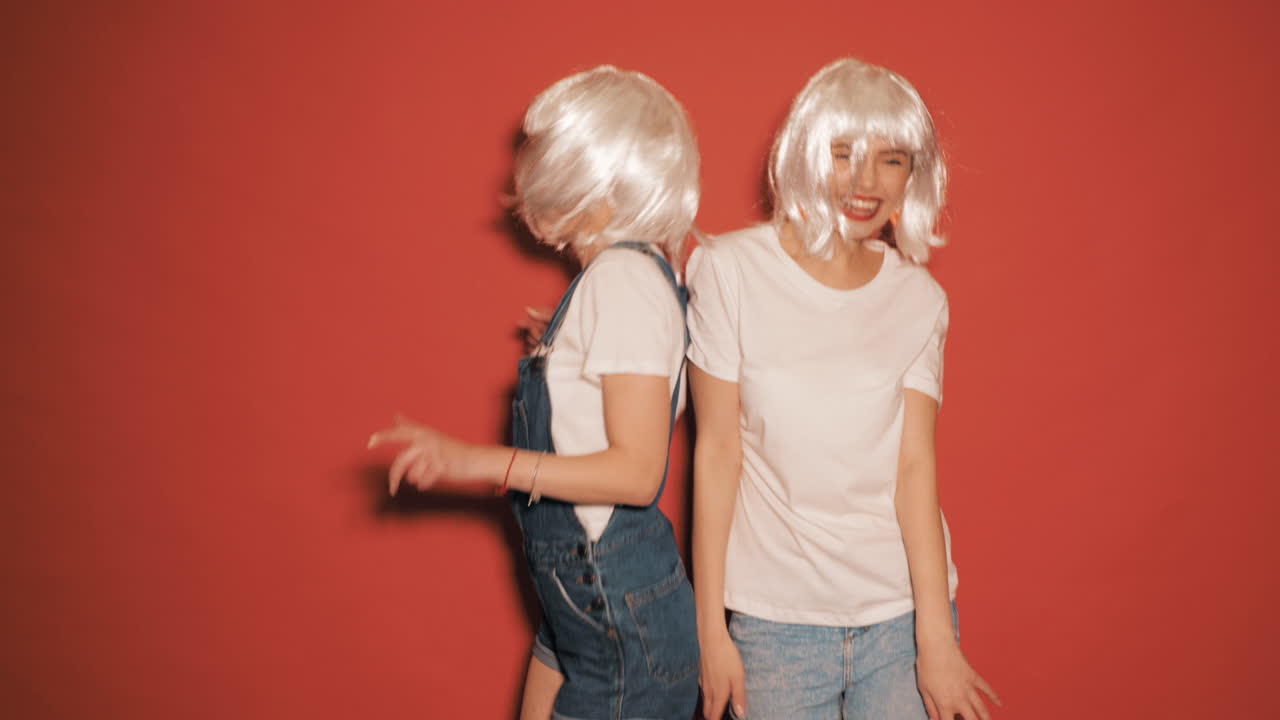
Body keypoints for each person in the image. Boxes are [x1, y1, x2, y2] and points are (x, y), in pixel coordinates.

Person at [368, 66, 701, 720]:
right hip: (584, 602)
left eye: (551, 166)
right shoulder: (619, 280)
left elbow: (637, 475)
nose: (524, 186)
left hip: (614, 602)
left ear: (606, 185)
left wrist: (474, 461)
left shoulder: (621, 282)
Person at [687, 58, 1001, 720]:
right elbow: (716, 451)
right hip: (776, 625)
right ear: (804, 154)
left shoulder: (919, 298)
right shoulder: (727, 270)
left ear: (913, 175)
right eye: (842, 154)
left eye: (890, 160)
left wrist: (934, 637)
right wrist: (709, 628)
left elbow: (915, 468)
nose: (864, 183)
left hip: (900, 617)